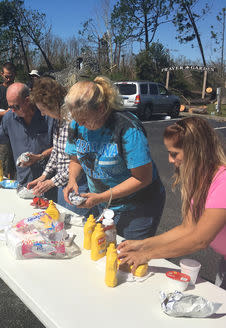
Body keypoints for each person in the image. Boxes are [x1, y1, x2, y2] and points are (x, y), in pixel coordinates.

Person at [118, 117, 226, 288]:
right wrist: (142, 244)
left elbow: (200, 240)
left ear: (195, 151)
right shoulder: (201, 180)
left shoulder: (223, 182)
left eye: (174, 153)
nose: (169, 159)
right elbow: (187, 228)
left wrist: (147, 254)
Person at [63, 76, 165, 240]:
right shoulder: (76, 125)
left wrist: (101, 197)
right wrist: (72, 179)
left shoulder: (127, 128)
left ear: (101, 108)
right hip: (103, 201)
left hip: (138, 205)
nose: (80, 125)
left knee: (127, 254)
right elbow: (75, 159)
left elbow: (142, 178)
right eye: (76, 119)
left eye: (84, 119)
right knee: (105, 246)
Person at [0, 82, 54, 186]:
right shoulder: (9, 118)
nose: (12, 111)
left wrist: (40, 156)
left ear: (27, 100)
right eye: (9, 106)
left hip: (48, 182)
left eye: (15, 107)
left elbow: (61, 147)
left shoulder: (48, 116)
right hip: (24, 182)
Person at [27, 77, 89, 216]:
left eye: (43, 109)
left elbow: (80, 160)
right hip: (61, 184)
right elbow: (57, 151)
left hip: (79, 185)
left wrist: (51, 182)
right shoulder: (57, 121)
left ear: (52, 103)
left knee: (74, 223)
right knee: (60, 222)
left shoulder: (73, 121)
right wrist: (44, 176)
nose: (42, 113)